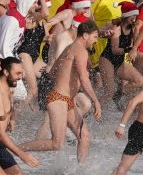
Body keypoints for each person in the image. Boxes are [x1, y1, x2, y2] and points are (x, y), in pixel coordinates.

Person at [21, 20, 100, 162]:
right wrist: (96, 101)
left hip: (66, 100)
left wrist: (67, 80)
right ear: (85, 35)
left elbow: (53, 71)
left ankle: (80, 173)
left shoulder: (71, 47)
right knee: (56, 143)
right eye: (95, 37)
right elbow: (84, 79)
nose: (96, 41)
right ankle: (15, 149)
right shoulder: (81, 51)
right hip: (58, 99)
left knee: (84, 136)